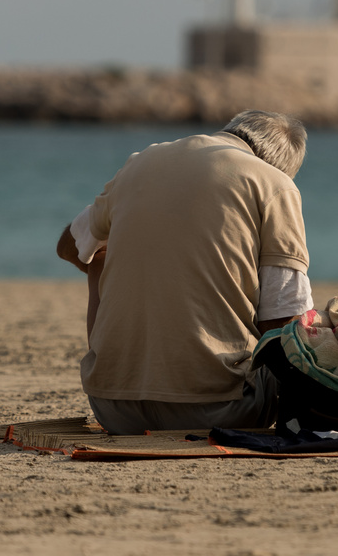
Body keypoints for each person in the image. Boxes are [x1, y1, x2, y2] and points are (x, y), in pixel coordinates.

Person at [55, 110, 313, 435]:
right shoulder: (275, 184)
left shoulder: (141, 162)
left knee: (98, 258)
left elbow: (69, 246)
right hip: (222, 409)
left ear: (232, 131)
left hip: (114, 408)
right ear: (282, 167)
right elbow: (282, 321)